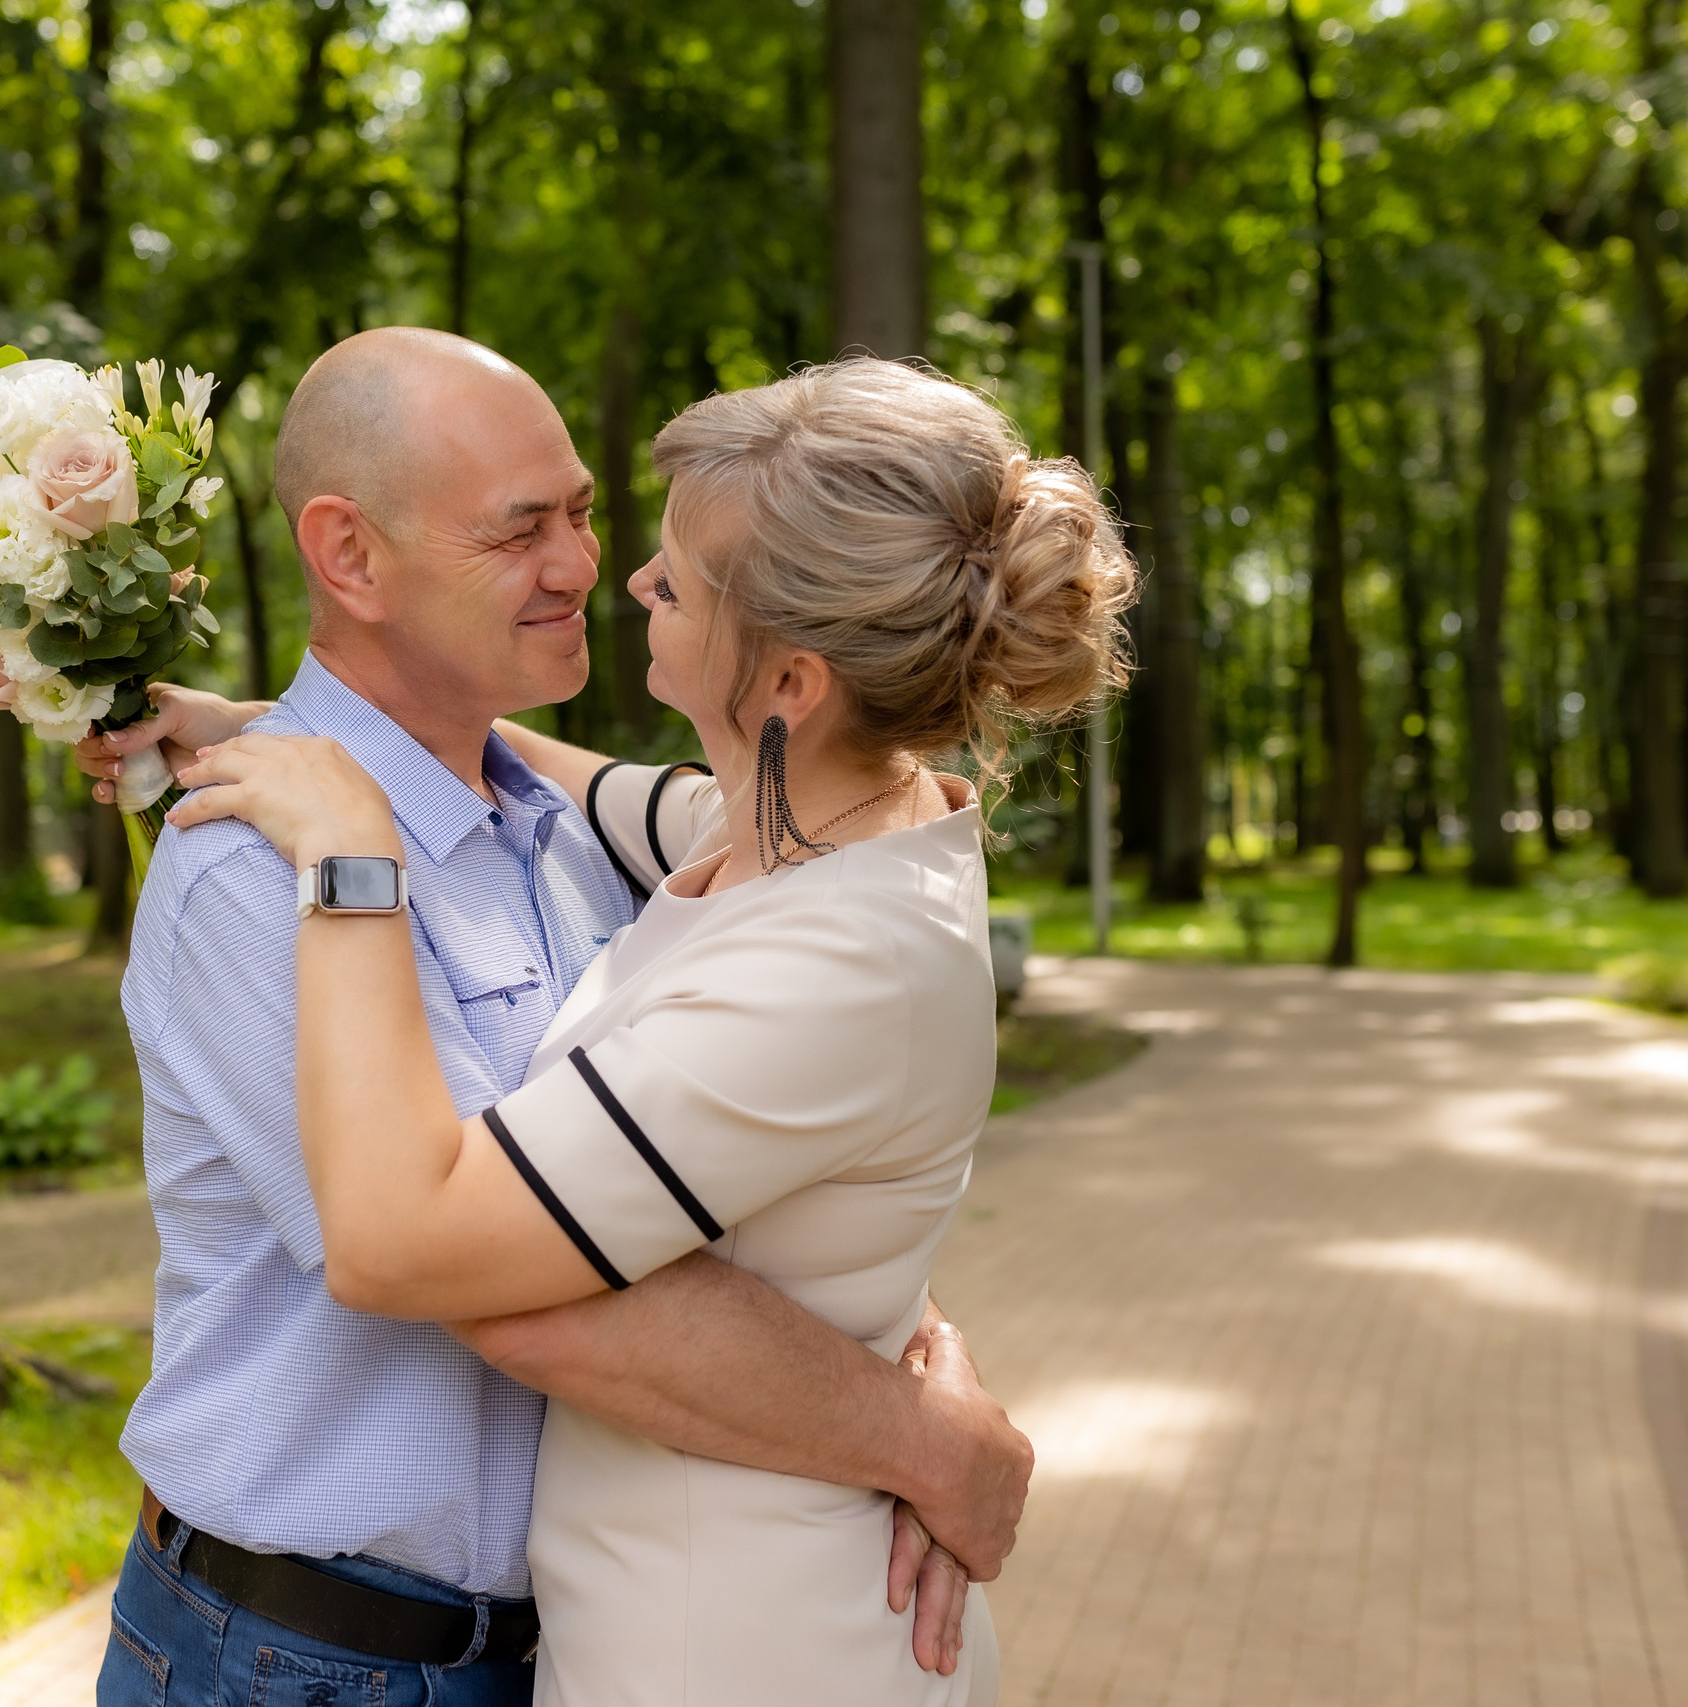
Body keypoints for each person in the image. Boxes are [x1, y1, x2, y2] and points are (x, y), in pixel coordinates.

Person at [79, 330, 1036, 1707]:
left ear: (792, 684)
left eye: (587, 513)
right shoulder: (258, 870)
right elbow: (492, 1289)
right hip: (308, 1662)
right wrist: (922, 1436)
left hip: (576, 1644)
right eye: (524, 527)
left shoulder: (617, 849)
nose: (599, 568)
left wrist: (892, 1321)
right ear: (349, 557)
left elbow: (725, 1174)